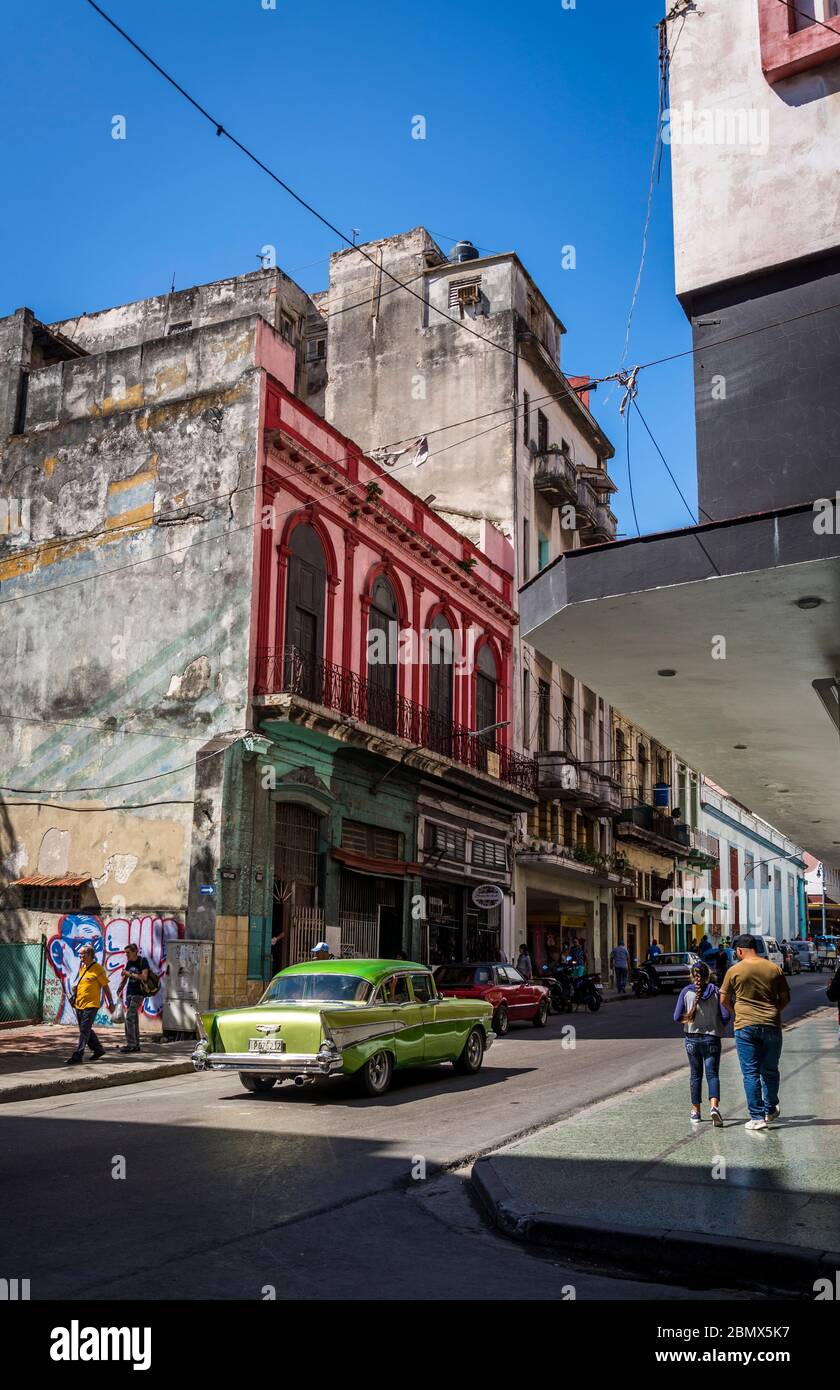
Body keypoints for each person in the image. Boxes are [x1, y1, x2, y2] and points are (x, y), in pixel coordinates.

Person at [720, 932, 790, 1131]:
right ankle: (771, 1108)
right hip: (771, 1025)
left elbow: (723, 999)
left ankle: (757, 1117)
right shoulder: (774, 968)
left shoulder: (734, 971)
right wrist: (774, 1011)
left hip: (745, 1027)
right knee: (770, 1069)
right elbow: (785, 998)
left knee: (750, 1073)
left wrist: (737, 1012)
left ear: (740, 950)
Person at [673, 960, 731, 1126]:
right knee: (712, 1074)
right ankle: (714, 1107)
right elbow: (726, 1016)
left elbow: (676, 1017)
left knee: (695, 1075)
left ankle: (696, 1111)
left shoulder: (686, 992)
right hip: (712, 1038)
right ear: (709, 975)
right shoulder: (715, 991)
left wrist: (689, 1020)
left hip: (691, 1038)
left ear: (692, 975)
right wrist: (716, 1024)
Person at [65, 943, 114, 1065]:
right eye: (80, 954)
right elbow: (85, 983)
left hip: (91, 1005)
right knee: (85, 1029)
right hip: (79, 1004)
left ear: (89, 954)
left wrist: (111, 1002)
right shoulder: (83, 967)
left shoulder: (98, 969)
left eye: (82, 954)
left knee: (84, 1030)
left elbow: (106, 987)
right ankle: (98, 1049)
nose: (80, 955)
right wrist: (77, 988)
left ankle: (78, 1055)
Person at [117, 942, 150, 1054]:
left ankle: (131, 1044)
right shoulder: (129, 962)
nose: (126, 955)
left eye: (128, 952)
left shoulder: (142, 961)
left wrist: (130, 974)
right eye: (125, 953)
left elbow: (144, 977)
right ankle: (136, 1045)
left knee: (129, 1018)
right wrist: (120, 987)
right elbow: (126, 977)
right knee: (134, 1019)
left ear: (135, 951)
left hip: (138, 993)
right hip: (130, 994)